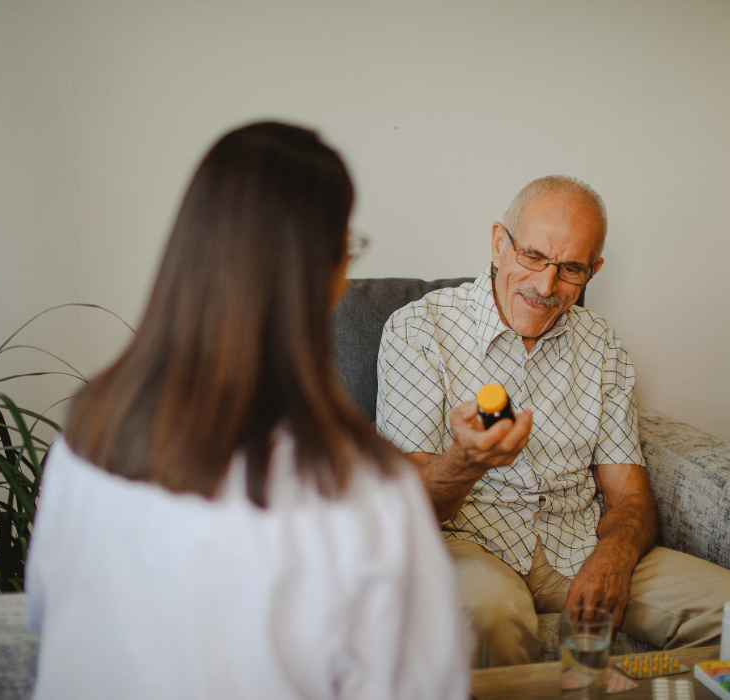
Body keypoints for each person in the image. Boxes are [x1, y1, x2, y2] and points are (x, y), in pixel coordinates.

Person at [25, 122, 469, 699]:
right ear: (327, 276)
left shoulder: (87, 436)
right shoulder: (368, 493)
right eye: (346, 248)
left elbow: (45, 616)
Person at [376, 175, 730, 668]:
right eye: (534, 257)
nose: (546, 286)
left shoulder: (602, 345)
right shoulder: (419, 329)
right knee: (489, 612)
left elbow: (629, 496)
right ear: (499, 243)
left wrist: (615, 555)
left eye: (570, 269)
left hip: (578, 545)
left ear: (594, 270)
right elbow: (407, 508)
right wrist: (467, 460)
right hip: (467, 543)